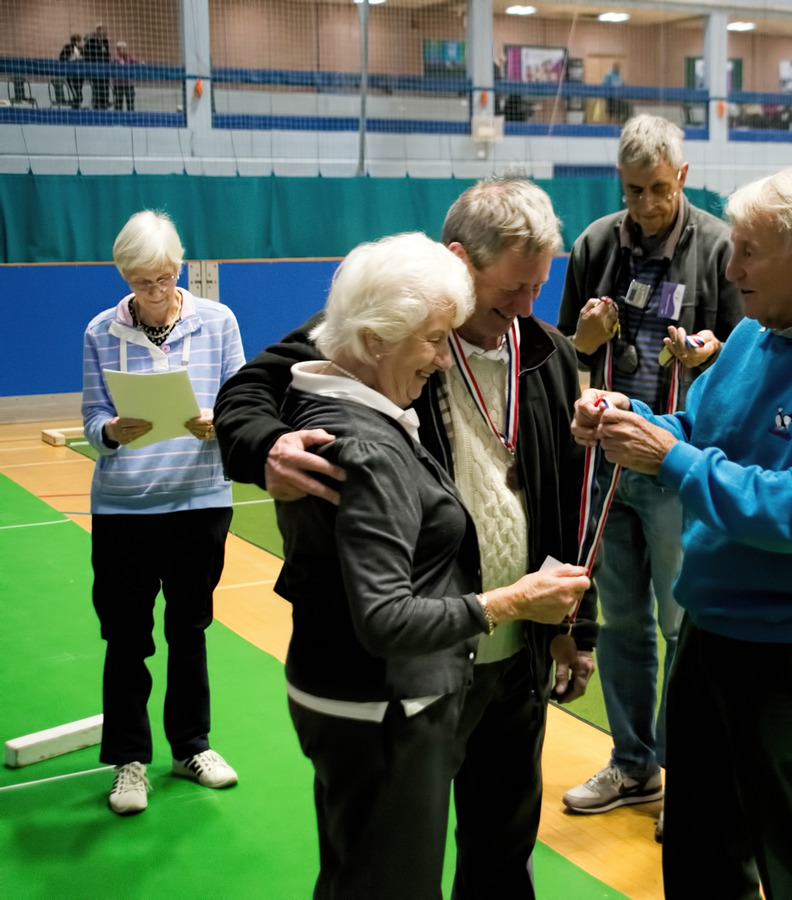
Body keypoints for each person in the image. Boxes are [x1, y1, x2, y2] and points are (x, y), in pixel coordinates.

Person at [214, 175, 598, 898]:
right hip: (420, 659)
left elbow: (567, 499)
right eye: (510, 290)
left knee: (503, 844)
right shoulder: (388, 327)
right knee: (392, 858)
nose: (525, 307)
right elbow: (244, 393)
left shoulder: (544, 351)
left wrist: (577, 625)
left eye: (537, 288)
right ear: (459, 261)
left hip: (514, 652)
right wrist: (266, 445)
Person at [570, 166, 792, 899]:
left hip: (789, 654)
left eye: (749, 253)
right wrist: (627, 424)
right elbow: (698, 431)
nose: (729, 270)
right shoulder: (751, 339)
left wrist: (672, 459)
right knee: (698, 850)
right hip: (705, 639)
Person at [557, 115, 742, 836]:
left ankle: (690, 778)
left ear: (683, 178)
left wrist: (708, 354)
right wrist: (586, 339)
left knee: (679, 623)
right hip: (607, 461)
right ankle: (634, 765)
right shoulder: (594, 245)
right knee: (625, 623)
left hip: (675, 462)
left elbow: (745, 359)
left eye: (658, 190)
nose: (645, 204)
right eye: (633, 191)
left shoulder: (722, 246)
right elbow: (568, 350)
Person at [82, 210, 246, 815]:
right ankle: (128, 760)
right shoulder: (100, 331)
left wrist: (219, 421)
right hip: (125, 507)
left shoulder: (219, 321)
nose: (156, 291)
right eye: (142, 282)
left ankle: (190, 746)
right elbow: (91, 420)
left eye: (166, 276)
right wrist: (114, 431)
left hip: (199, 502)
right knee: (126, 637)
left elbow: (242, 400)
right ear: (124, 276)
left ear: (181, 265)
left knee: (189, 628)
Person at [83, 23, 111, 110]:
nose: (106, 32)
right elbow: (87, 55)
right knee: (97, 88)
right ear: (98, 30)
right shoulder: (91, 41)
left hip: (104, 70)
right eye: (103, 29)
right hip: (94, 69)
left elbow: (106, 54)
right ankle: (96, 106)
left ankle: (104, 105)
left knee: (105, 88)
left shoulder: (105, 41)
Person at [58, 33, 84, 108]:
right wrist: (72, 58)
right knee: (77, 96)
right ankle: (75, 111)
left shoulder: (82, 50)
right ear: (76, 42)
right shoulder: (67, 48)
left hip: (80, 76)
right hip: (71, 76)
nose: (82, 43)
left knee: (79, 96)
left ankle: (76, 109)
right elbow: (61, 59)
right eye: (80, 41)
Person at [112, 40, 138, 111]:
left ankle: (131, 118)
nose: (124, 50)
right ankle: (118, 119)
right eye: (121, 48)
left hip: (129, 84)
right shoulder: (116, 58)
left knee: (130, 103)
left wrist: (141, 63)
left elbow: (137, 62)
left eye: (125, 48)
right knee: (118, 104)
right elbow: (122, 64)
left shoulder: (129, 57)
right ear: (118, 49)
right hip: (118, 85)